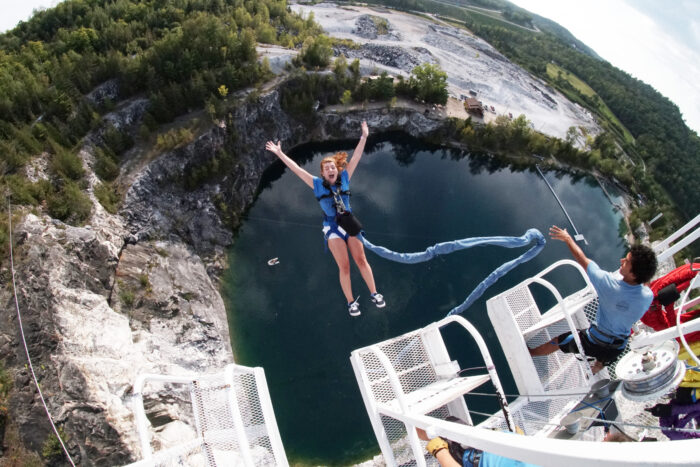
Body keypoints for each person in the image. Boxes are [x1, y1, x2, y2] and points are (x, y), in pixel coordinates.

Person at [264, 121, 385, 317]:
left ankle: (375, 293)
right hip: (332, 227)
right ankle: (351, 302)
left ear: (336, 170)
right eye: (326, 168)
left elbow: (356, 157)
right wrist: (279, 153)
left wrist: (364, 136)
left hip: (349, 222)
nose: (330, 169)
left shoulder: (345, 177)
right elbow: (296, 169)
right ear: (322, 173)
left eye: (332, 167)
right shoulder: (317, 184)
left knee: (361, 259)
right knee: (344, 265)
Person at [529, 225, 658, 373]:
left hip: (593, 343)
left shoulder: (608, 285)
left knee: (560, 340)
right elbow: (644, 284)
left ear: (634, 275)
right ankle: (598, 367)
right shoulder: (647, 296)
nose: (622, 260)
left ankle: (532, 352)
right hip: (617, 348)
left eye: (626, 261)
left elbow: (582, 259)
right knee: (604, 356)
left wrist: (568, 238)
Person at [417, 425, 540, 467]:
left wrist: (440, 450)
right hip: (488, 440)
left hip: (468, 455)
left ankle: (404, 418)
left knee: (431, 432)